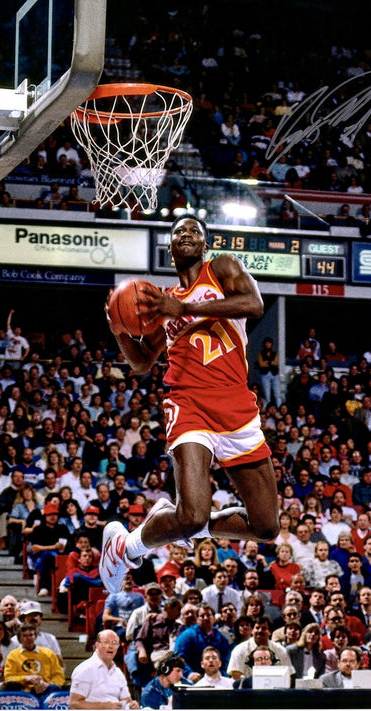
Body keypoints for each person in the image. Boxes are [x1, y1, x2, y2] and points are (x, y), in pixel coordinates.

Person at [101, 214, 278, 593]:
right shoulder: (162, 303)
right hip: (188, 405)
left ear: (204, 243)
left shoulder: (222, 269)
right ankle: (126, 547)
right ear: (170, 248)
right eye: (178, 231)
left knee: (266, 527)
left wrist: (183, 310)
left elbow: (254, 304)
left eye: (194, 231)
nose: (186, 234)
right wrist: (119, 331)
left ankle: (178, 522)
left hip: (237, 406)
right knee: (193, 511)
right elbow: (142, 363)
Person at [70, 629, 139, 709]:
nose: (111, 646)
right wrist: (104, 706)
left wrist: (132, 705)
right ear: (97, 645)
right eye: (106, 642)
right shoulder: (84, 669)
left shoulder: (118, 672)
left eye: (114, 643)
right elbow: (74, 704)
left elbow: (127, 700)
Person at [4, 622, 64, 698]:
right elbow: (9, 678)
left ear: (35, 636)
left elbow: (59, 675)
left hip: (46, 689)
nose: (29, 638)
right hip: (23, 691)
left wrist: (47, 685)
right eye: (25, 636)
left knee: (54, 688)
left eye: (31, 635)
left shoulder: (48, 653)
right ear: (20, 638)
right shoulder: (13, 655)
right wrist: (25, 678)